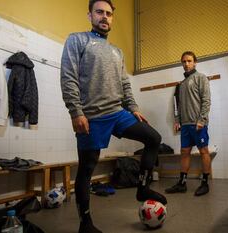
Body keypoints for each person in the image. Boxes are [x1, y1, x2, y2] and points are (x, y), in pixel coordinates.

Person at [60, 1, 167, 232]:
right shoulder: (77, 40)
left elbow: (125, 83)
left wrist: (133, 107)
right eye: (99, 12)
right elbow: (68, 77)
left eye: (109, 14)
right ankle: (85, 223)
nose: (104, 17)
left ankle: (143, 187)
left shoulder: (117, 51)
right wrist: (75, 112)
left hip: (118, 112)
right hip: (92, 115)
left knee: (153, 138)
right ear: (90, 15)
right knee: (87, 169)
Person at [165, 51, 212, 196]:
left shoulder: (201, 78)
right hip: (185, 125)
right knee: (184, 152)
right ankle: (182, 183)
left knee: (203, 151)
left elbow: (206, 100)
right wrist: (177, 121)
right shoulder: (181, 84)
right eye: (184, 61)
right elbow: (177, 105)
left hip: (198, 124)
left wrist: (202, 120)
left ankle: (205, 183)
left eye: (189, 61)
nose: (186, 64)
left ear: (195, 62)